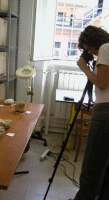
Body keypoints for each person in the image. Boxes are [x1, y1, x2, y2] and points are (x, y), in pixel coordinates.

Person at [69, 25, 109, 200]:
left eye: (88, 47)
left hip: (106, 112)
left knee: (92, 164)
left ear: (93, 42)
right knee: (105, 166)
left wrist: (83, 67)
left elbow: (101, 83)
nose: (90, 51)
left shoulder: (105, 48)